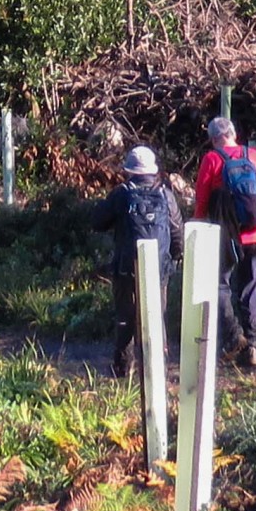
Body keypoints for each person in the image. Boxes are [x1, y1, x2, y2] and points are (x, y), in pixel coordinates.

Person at [191, 114, 256, 368]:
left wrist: (196, 233)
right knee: (250, 289)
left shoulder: (212, 159)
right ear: (233, 134)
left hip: (225, 237)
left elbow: (201, 202)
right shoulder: (255, 157)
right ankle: (252, 346)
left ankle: (234, 336)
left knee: (219, 285)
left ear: (214, 139)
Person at [88, 144, 181, 377]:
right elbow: (177, 232)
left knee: (126, 316)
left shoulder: (122, 194)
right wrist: (173, 258)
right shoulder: (166, 195)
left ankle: (123, 367)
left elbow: (97, 222)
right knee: (156, 316)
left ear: (129, 170)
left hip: (126, 268)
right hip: (159, 268)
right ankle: (157, 368)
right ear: (153, 170)